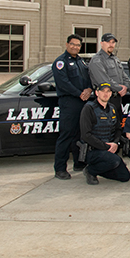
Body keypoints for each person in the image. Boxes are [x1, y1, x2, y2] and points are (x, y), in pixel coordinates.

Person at [52, 33, 92, 180]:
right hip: (69, 102)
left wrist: (88, 89)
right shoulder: (60, 62)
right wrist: (79, 93)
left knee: (80, 134)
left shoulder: (81, 62)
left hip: (83, 101)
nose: (75, 47)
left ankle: (79, 162)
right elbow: (63, 83)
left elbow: (88, 78)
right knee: (66, 135)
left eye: (78, 45)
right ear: (67, 44)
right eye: (73, 44)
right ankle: (60, 168)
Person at [79, 81, 130, 185]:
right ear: (97, 93)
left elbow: (118, 129)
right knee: (114, 161)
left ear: (111, 94)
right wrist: (106, 147)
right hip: (93, 150)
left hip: (109, 149)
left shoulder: (112, 108)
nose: (105, 94)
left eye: (108, 91)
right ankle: (90, 171)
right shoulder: (89, 108)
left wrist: (115, 143)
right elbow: (86, 135)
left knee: (124, 176)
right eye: (102, 91)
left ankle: (101, 168)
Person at [88, 33, 130, 123]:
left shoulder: (115, 60)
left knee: (118, 125)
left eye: (113, 42)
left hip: (117, 99)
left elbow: (125, 77)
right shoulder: (97, 60)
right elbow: (103, 80)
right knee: (105, 126)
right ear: (101, 43)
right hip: (104, 100)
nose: (111, 45)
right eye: (108, 42)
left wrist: (126, 87)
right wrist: (119, 88)